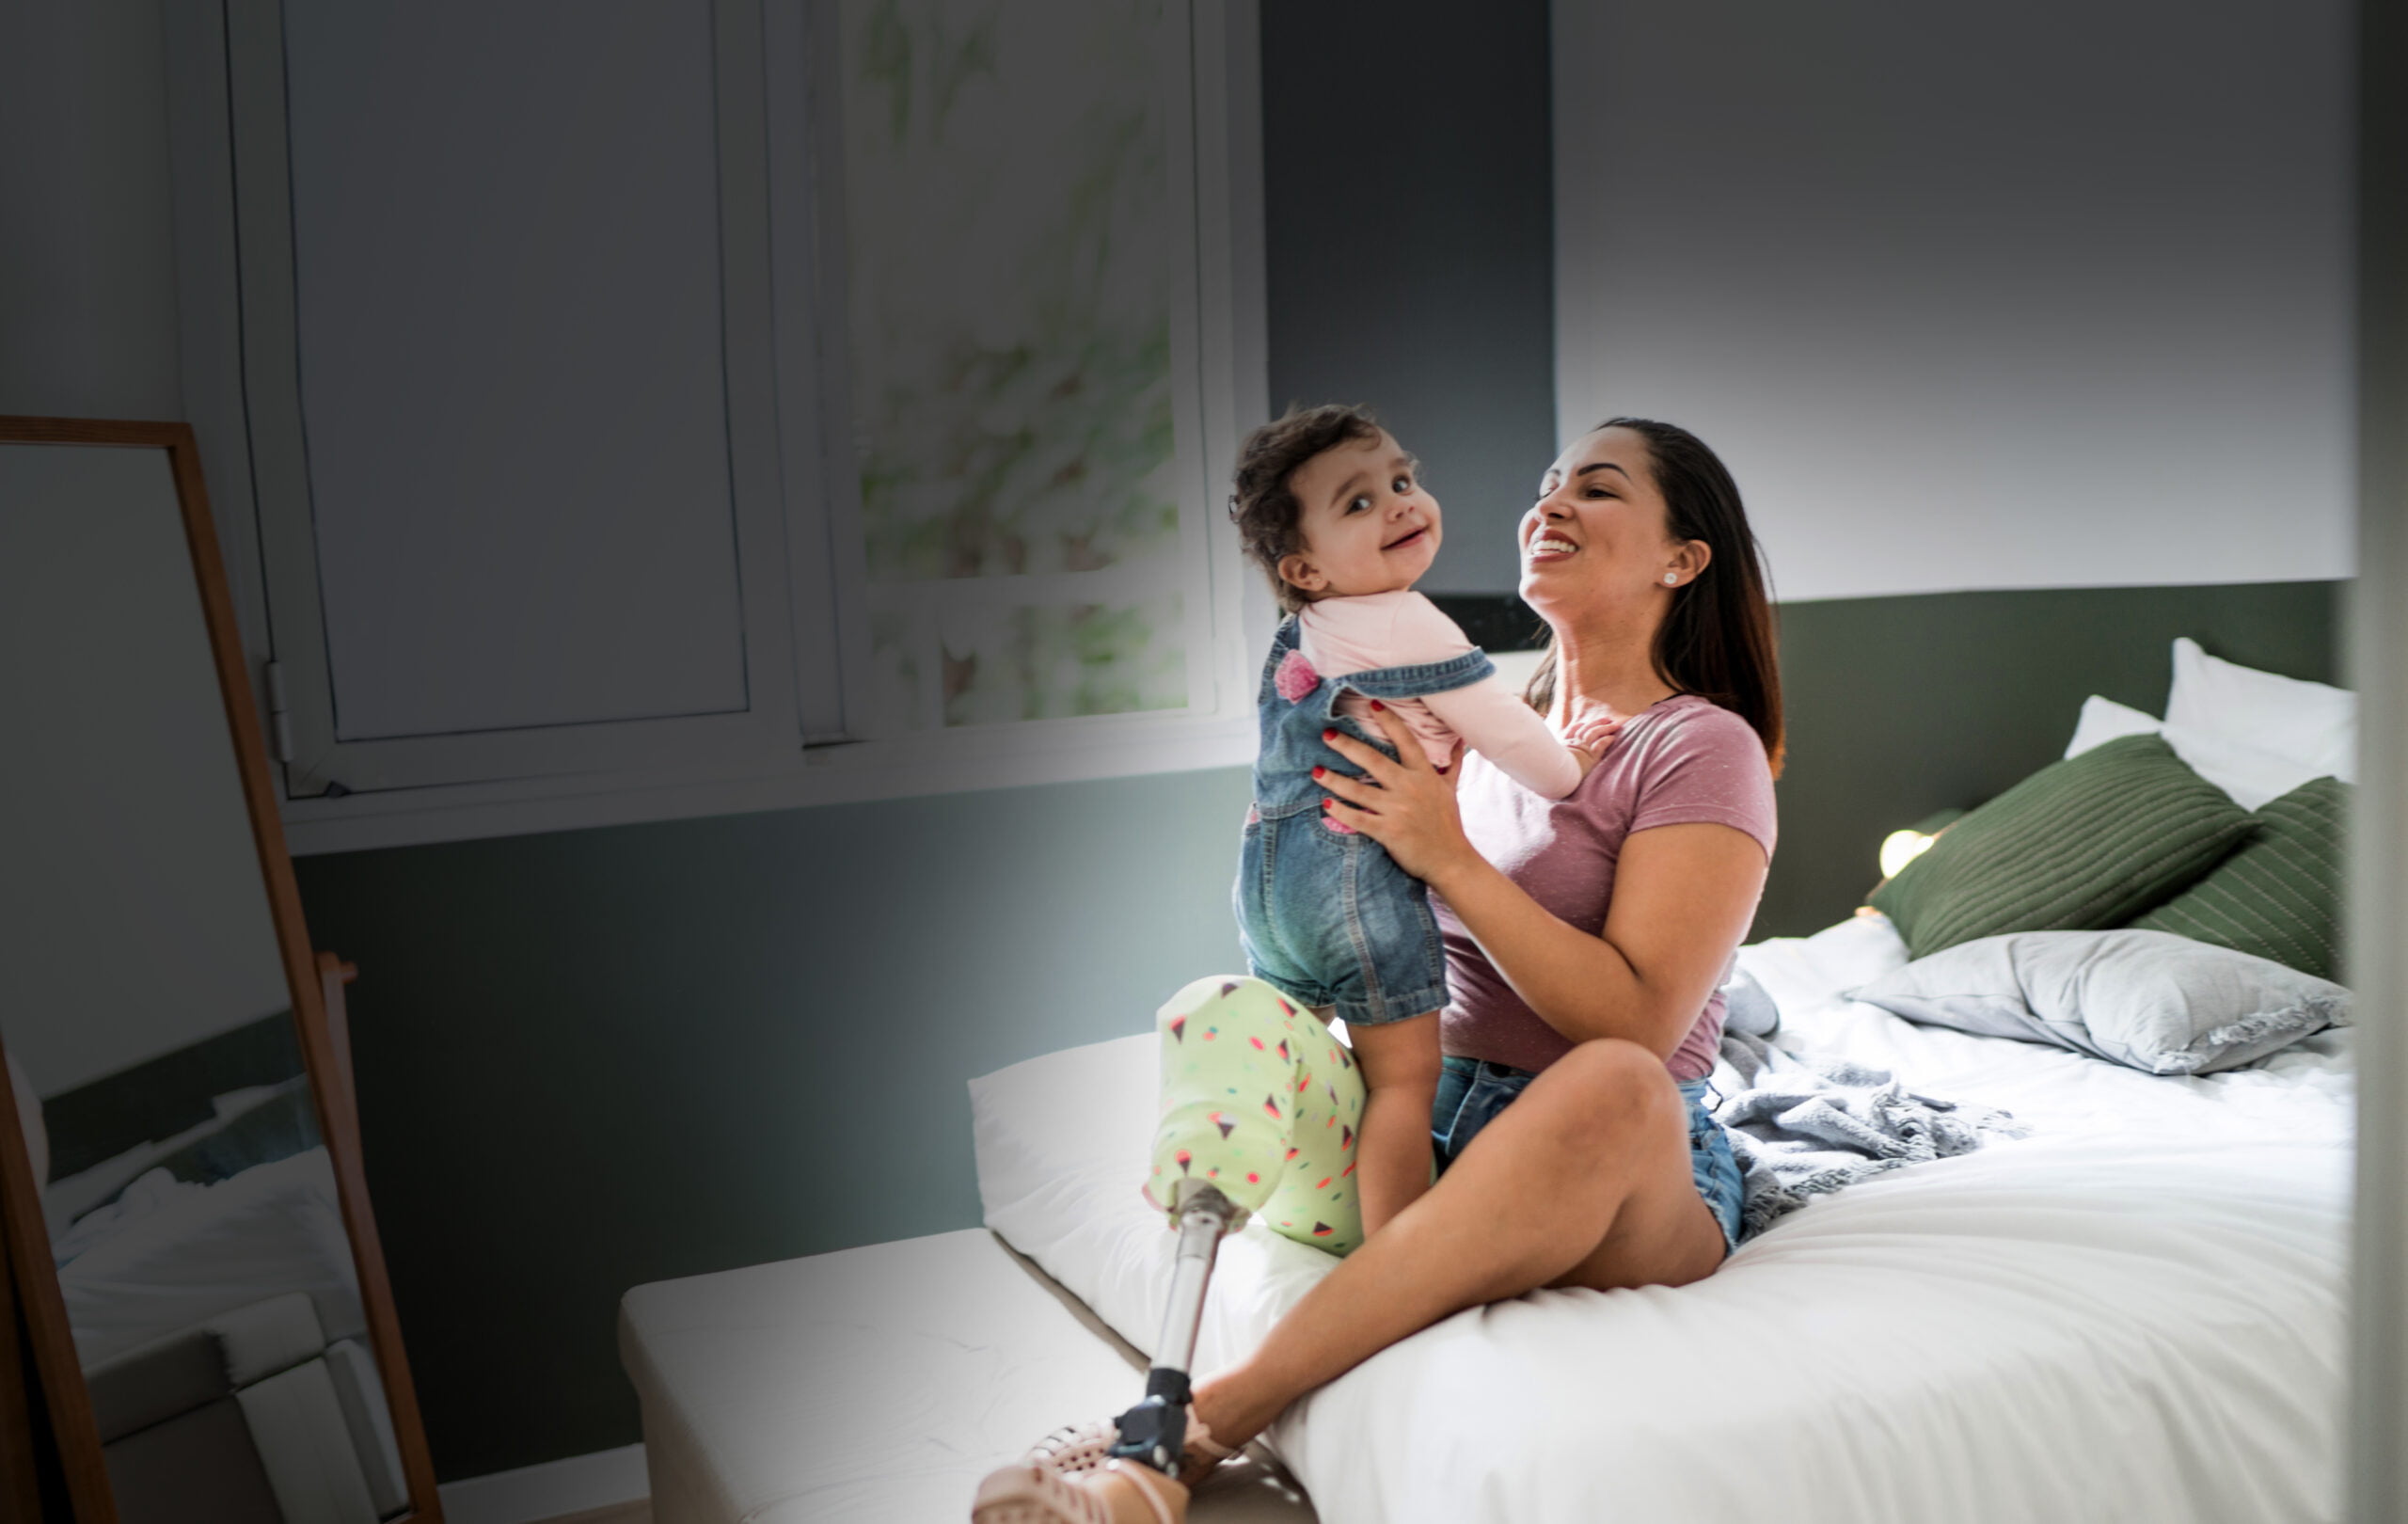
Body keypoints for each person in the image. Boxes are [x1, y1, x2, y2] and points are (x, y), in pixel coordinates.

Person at [972, 417, 1782, 1524]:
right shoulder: (1476, 726)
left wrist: (1445, 849)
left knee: (1615, 1083)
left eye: (1593, 490)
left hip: (1615, 1159)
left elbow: (1638, 1021)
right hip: (1432, 1122)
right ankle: (1240, 1324)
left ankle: (1188, 1430)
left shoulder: (1699, 746)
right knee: (1225, 1012)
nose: (1546, 506)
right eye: (1543, 485)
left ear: (1680, 560)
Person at [1219, 405, 1619, 1242]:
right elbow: (1523, 748)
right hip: (1356, 889)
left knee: (1285, 1056)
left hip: (1266, 889)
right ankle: (1398, 1258)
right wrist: (1575, 759)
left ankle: (1238, 1200)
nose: (1402, 503)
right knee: (1400, 1082)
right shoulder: (1408, 619)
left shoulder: (1304, 633)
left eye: (1402, 480)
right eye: (1358, 503)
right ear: (1307, 566)